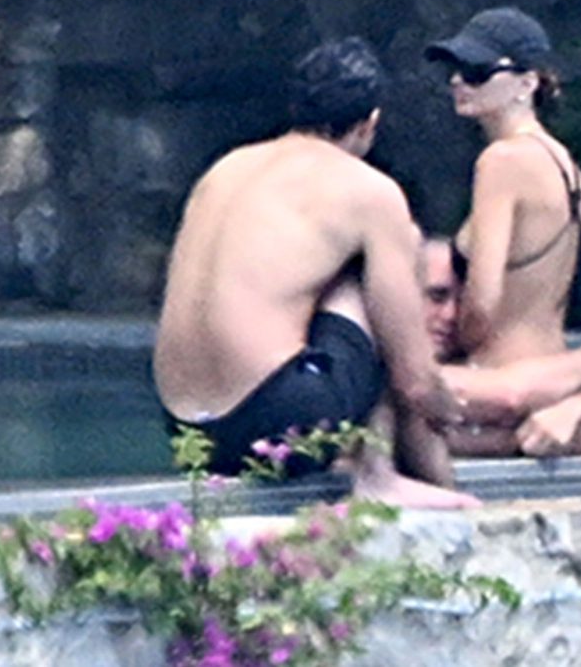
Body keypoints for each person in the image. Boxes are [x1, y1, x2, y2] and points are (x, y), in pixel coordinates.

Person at [153, 37, 477, 508]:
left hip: (189, 436)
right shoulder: (369, 191)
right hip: (271, 425)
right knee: (393, 250)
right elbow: (414, 379)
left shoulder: (223, 170)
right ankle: (378, 476)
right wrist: (443, 406)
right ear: (370, 123)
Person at [425, 6, 581, 447]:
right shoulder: (567, 167)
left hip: (502, 379)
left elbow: (483, 302)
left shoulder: (502, 161)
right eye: (456, 70)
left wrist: (455, 348)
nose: (458, 81)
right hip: (554, 374)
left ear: (528, 83)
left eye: (477, 72)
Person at [422, 236, 581, 456]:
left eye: (464, 302)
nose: (451, 314)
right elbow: (511, 395)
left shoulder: (472, 366)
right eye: (436, 296)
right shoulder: (405, 375)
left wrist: (575, 408)